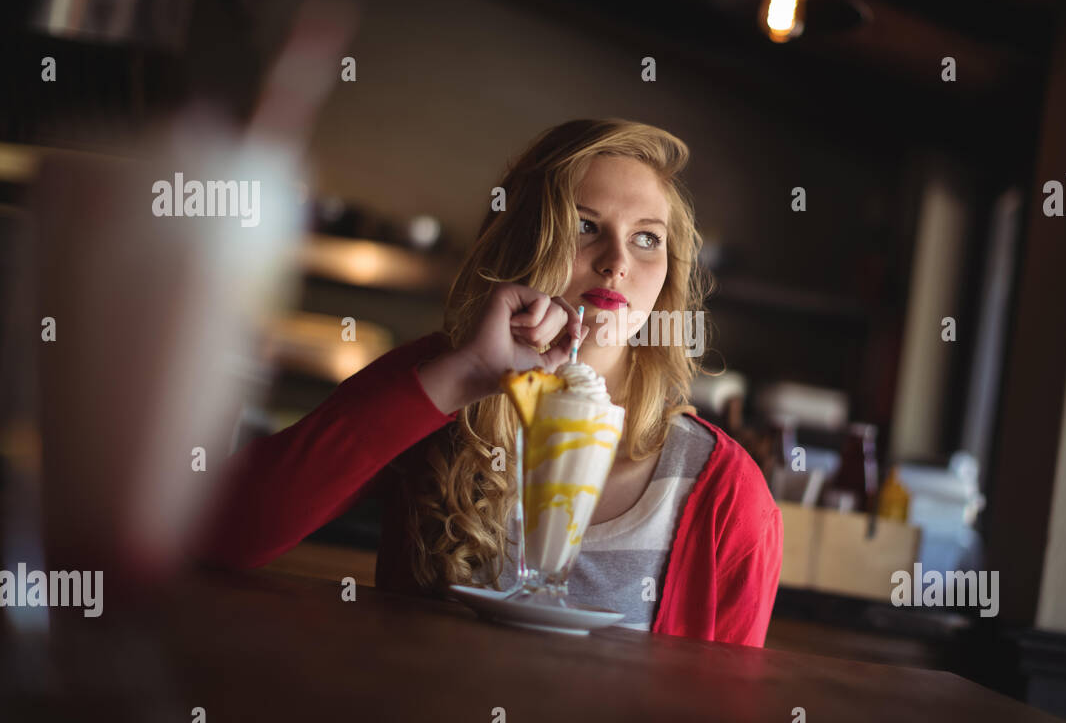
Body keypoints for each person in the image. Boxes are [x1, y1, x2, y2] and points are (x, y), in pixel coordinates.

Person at [194, 118, 782, 646]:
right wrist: (460, 379)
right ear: (525, 238)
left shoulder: (724, 492)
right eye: (585, 225)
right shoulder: (442, 383)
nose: (616, 261)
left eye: (647, 237)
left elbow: (717, 719)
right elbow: (222, 533)